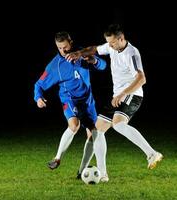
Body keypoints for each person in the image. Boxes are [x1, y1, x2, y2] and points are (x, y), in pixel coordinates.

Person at [66, 24, 163, 182]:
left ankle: (152, 153)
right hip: (118, 96)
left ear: (121, 38)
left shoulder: (132, 53)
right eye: (108, 43)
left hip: (132, 94)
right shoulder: (112, 47)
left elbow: (142, 78)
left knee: (118, 124)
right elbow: (94, 49)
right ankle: (103, 174)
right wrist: (78, 53)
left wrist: (124, 93)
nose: (109, 46)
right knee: (96, 131)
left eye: (112, 43)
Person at [34, 31, 106, 172]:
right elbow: (39, 85)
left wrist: (94, 61)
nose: (63, 51)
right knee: (74, 125)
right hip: (70, 99)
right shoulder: (55, 66)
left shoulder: (82, 53)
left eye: (65, 47)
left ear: (71, 42)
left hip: (87, 100)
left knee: (93, 133)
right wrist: (38, 98)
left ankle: (82, 171)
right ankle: (57, 158)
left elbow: (103, 66)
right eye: (59, 48)